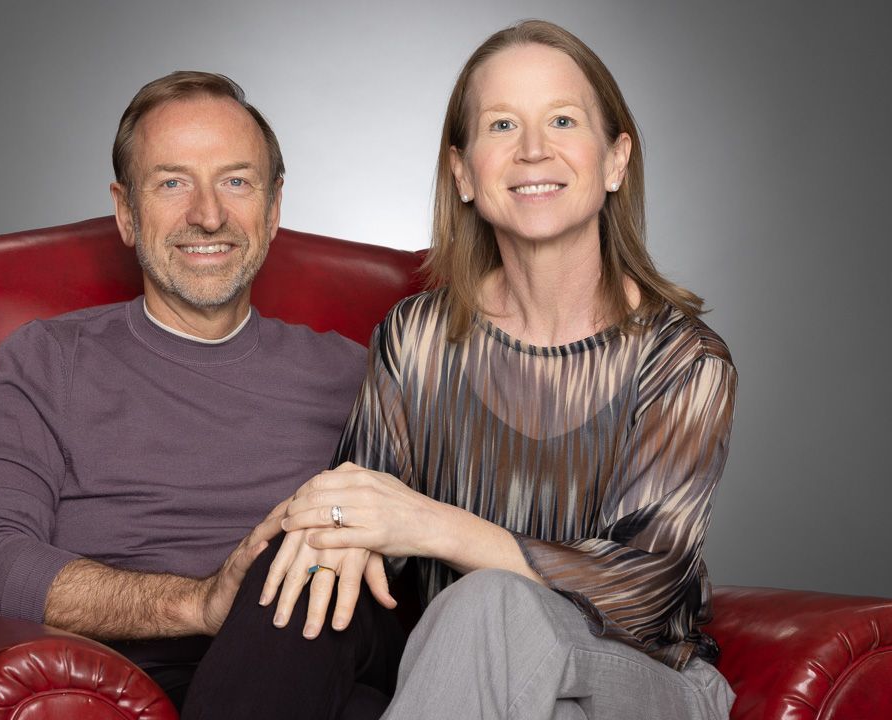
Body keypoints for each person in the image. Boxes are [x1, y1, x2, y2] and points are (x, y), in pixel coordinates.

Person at [266, 20, 737, 719]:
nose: (533, 149)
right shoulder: (416, 338)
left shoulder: (682, 359)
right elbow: (361, 526)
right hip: (481, 686)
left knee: (492, 601)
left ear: (615, 161)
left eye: (563, 120)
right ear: (463, 173)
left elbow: (641, 591)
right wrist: (325, 532)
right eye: (502, 124)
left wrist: (434, 526)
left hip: (646, 683)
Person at [0, 70, 404, 718]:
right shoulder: (47, 362)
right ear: (126, 212)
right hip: (131, 691)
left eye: (236, 182)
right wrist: (198, 602)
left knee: (308, 560)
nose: (208, 215)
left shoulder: (360, 375)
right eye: (172, 183)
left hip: (331, 641)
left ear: (274, 209)